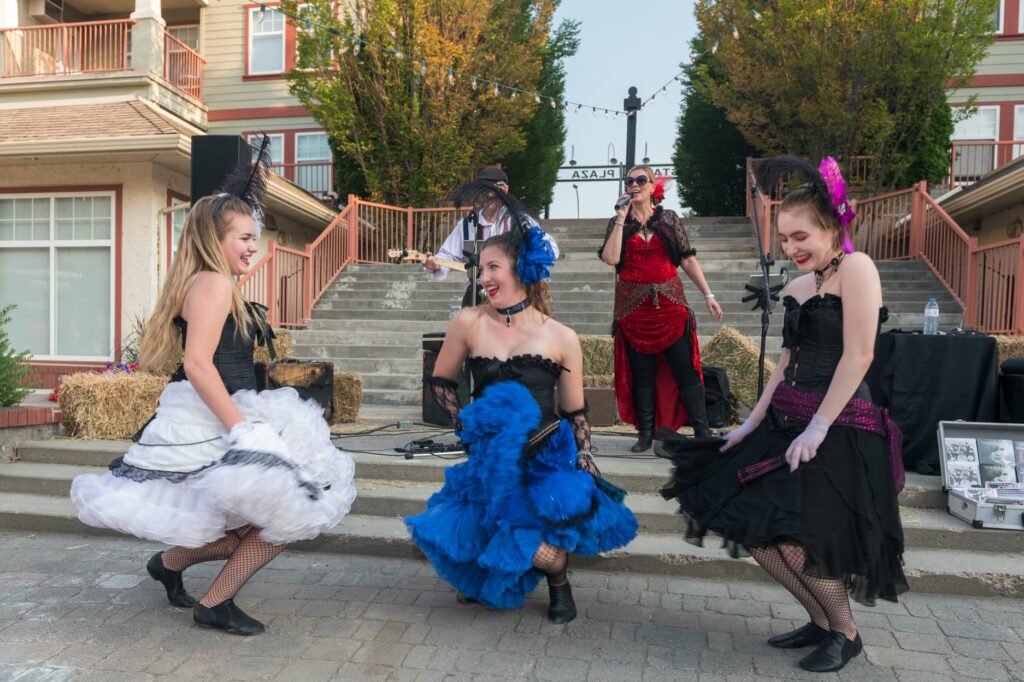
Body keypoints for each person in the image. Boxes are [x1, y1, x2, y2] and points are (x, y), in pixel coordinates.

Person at [70, 147, 357, 636]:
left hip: (228, 409)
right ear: (214, 238)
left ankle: (171, 563)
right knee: (290, 515)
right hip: (219, 416)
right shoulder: (212, 284)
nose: (253, 246)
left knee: (249, 525)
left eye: (255, 236)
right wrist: (242, 429)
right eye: (244, 238)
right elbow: (198, 364)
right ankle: (215, 602)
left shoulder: (212, 282)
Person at [656, 157, 908, 673]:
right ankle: (821, 620)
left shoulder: (858, 269)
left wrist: (818, 427)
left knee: (797, 542)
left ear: (833, 227)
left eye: (800, 237)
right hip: (784, 424)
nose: (790, 249)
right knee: (759, 539)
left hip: (839, 428)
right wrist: (749, 424)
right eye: (785, 239)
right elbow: (785, 365)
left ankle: (848, 633)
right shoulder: (796, 288)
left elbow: (859, 355)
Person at [406, 208, 638, 624]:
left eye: (493, 267)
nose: (483, 279)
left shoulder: (561, 335)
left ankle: (558, 581)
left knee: (550, 522)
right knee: (491, 521)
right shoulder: (468, 322)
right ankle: (497, 572)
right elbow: (441, 382)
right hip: (492, 453)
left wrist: (584, 453)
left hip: (547, 451)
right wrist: (466, 425)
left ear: (521, 269)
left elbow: (574, 408)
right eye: (481, 269)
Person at [598, 165, 724, 452]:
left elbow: (687, 259)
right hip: (633, 310)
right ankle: (645, 434)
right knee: (642, 374)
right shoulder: (619, 222)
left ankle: (702, 432)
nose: (634, 184)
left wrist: (708, 294)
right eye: (629, 181)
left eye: (641, 180)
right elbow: (611, 258)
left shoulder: (668, 219)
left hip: (670, 306)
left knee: (685, 370)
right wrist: (620, 218)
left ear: (653, 186)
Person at [424, 167, 559, 307]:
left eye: (490, 190)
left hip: (514, 294)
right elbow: (447, 256)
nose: (486, 195)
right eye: (481, 190)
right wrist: (434, 265)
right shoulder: (466, 225)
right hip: (476, 298)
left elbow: (551, 249)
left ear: (504, 189)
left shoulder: (520, 221)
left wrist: (524, 262)